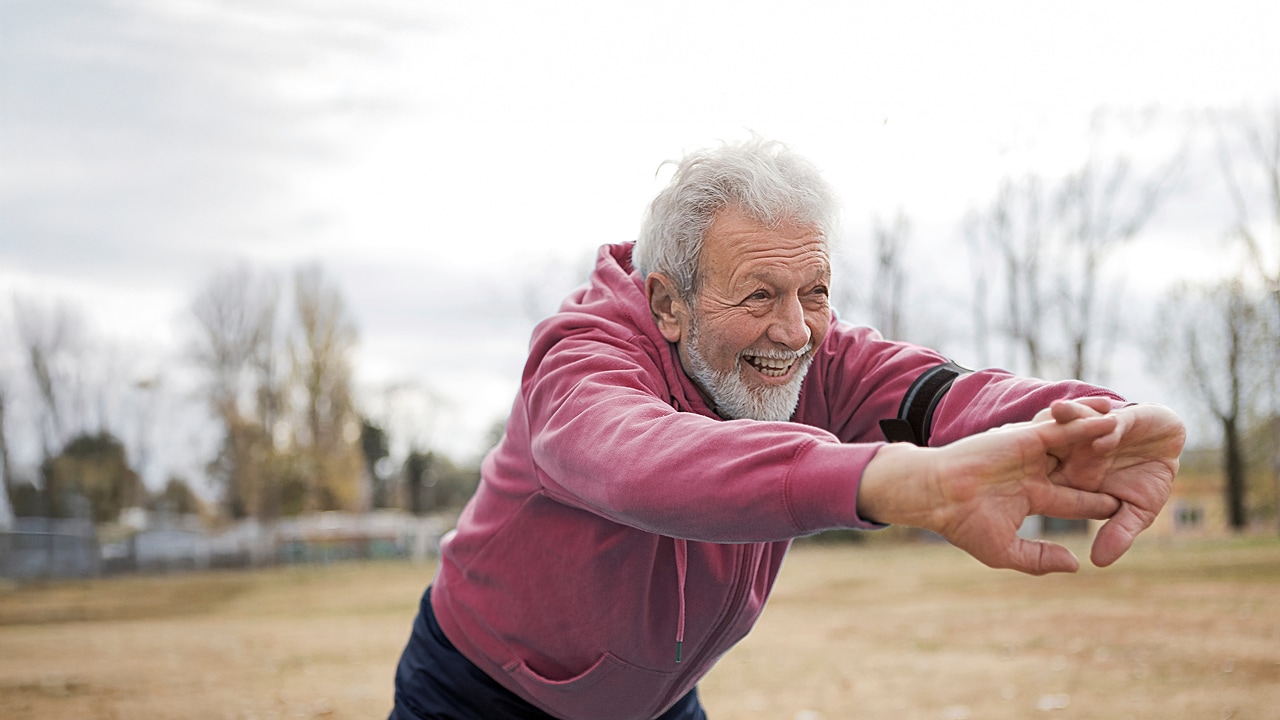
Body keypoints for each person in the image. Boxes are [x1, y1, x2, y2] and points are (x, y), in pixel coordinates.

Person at [388, 138, 1186, 720]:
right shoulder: (580, 363)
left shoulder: (813, 349)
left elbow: (938, 392)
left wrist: (1096, 421)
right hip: (480, 692)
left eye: (815, 291)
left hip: (656, 703)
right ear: (669, 303)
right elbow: (644, 461)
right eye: (759, 296)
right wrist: (890, 482)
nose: (796, 331)